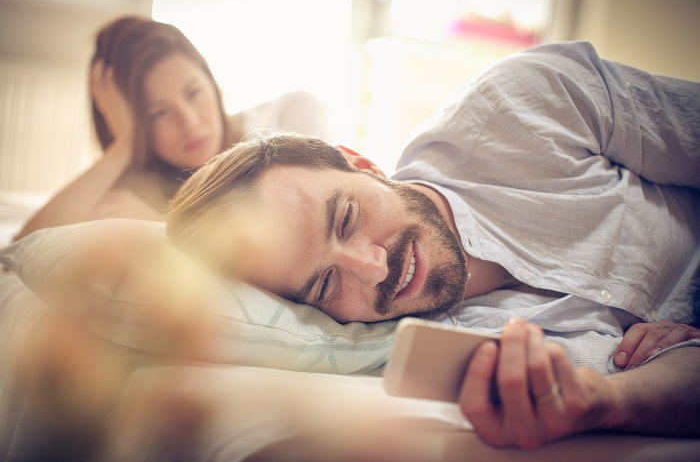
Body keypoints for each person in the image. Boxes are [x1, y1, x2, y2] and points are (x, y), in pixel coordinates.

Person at [165, 41, 700, 448]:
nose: (375, 270)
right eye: (326, 284)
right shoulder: (450, 354)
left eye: (347, 218)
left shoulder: (525, 103)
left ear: (362, 163)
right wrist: (610, 401)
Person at [15, 15, 333, 240]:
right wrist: (124, 146)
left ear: (212, 82)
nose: (190, 123)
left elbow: (309, 234)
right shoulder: (142, 187)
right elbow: (24, 246)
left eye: (194, 93)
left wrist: (165, 226)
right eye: (158, 114)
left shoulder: (289, 116)